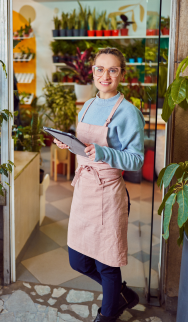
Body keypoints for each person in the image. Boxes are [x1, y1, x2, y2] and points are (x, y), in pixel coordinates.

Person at [54, 47, 145, 322]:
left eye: (112, 70)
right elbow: (87, 149)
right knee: (77, 260)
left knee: (107, 263)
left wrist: (104, 153)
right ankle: (122, 294)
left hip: (108, 193)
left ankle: (108, 314)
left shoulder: (129, 113)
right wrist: (70, 145)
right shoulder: (89, 104)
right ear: (93, 72)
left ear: (121, 74)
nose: (105, 75)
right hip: (84, 191)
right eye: (100, 69)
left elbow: (137, 160)